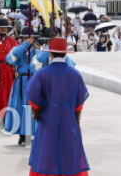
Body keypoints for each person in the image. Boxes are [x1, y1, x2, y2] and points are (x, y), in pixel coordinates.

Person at [26, 37, 90, 176]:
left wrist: (37, 114)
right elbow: (79, 103)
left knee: (46, 155)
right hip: (69, 120)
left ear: (50, 53)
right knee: (70, 155)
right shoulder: (75, 74)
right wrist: (75, 117)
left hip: (48, 120)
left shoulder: (41, 73)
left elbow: (34, 101)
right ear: (65, 54)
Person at [4, 26, 39, 145]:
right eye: (25, 37)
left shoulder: (37, 51)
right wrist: (25, 44)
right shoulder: (17, 50)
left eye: (30, 38)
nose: (28, 39)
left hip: (33, 82)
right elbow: (9, 58)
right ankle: (21, 135)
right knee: (20, 107)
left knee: (31, 108)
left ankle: (29, 133)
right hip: (21, 81)